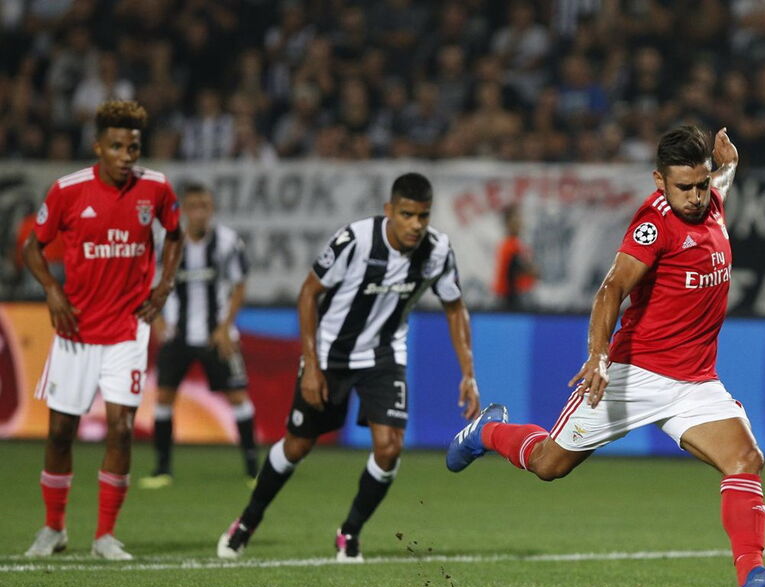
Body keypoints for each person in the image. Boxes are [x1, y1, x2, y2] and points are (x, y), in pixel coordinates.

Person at [447, 126, 765, 587]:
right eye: (683, 187)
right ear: (659, 181)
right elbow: (611, 289)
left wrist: (728, 166)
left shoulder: (711, 202)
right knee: (549, 465)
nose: (695, 197)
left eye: (702, 184)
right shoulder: (653, 224)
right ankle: (487, 430)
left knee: (745, 459)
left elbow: (719, 185)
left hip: (696, 382)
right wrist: (598, 357)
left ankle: (752, 580)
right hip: (632, 374)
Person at [217, 172, 481, 562]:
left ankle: (350, 533)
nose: (416, 225)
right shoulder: (355, 240)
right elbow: (309, 293)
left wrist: (468, 373)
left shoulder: (438, 250)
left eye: (423, 216)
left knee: (390, 449)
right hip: (331, 355)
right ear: (389, 210)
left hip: (384, 356)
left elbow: (454, 305)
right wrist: (311, 364)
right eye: (407, 214)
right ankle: (247, 521)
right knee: (297, 446)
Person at [22, 100, 183, 560]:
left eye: (133, 146)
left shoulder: (155, 188)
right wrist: (52, 290)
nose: (127, 155)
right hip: (76, 331)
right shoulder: (68, 191)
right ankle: (54, 528)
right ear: (98, 147)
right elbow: (34, 247)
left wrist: (164, 284)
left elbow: (175, 233)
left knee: (123, 430)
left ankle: (104, 536)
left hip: (128, 329)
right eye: (117, 146)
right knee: (59, 433)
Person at [139, 183, 257, 490]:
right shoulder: (166, 241)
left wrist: (225, 326)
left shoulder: (228, 241)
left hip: (216, 334)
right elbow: (147, 281)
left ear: (212, 209)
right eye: (194, 206)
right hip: (177, 334)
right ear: (183, 210)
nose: (200, 212)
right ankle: (162, 469)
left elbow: (239, 286)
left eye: (205, 206)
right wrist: (158, 320)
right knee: (163, 396)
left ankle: (253, 469)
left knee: (238, 396)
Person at [492, 203, 538, 311]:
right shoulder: (508, 245)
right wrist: (530, 269)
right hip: (510, 300)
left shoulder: (519, 244)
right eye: (516, 218)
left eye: (520, 217)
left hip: (519, 297)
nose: (520, 221)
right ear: (507, 223)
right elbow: (519, 268)